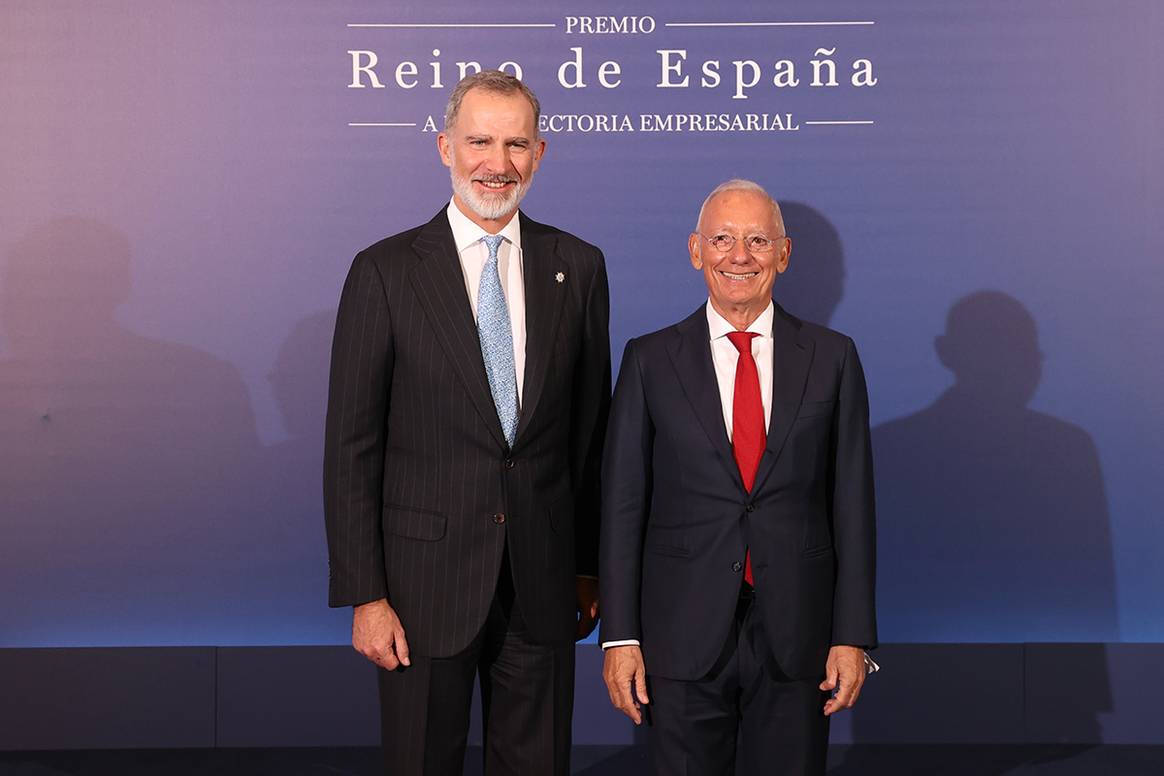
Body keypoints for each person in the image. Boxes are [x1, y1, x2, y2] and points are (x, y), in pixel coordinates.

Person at [323, 70, 610, 776]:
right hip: (421, 594)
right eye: (480, 141)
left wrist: (586, 570)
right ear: (445, 146)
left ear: (540, 152)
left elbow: (588, 437)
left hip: (543, 589)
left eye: (516, 144)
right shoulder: (384, 272)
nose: (497, 163)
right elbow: (351, 448)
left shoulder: (579, 266)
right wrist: (367, 594)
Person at [599, 180, 877, 775]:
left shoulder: (832, 357)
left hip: (798, 634)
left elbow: (853, 505)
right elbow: (622, 508)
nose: (739, 256)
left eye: (757, 240)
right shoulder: (648, 360)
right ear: (696, 250)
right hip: (679, 634)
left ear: (785, 252)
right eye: (723, 239)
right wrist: (619, 637)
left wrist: (852, 635)